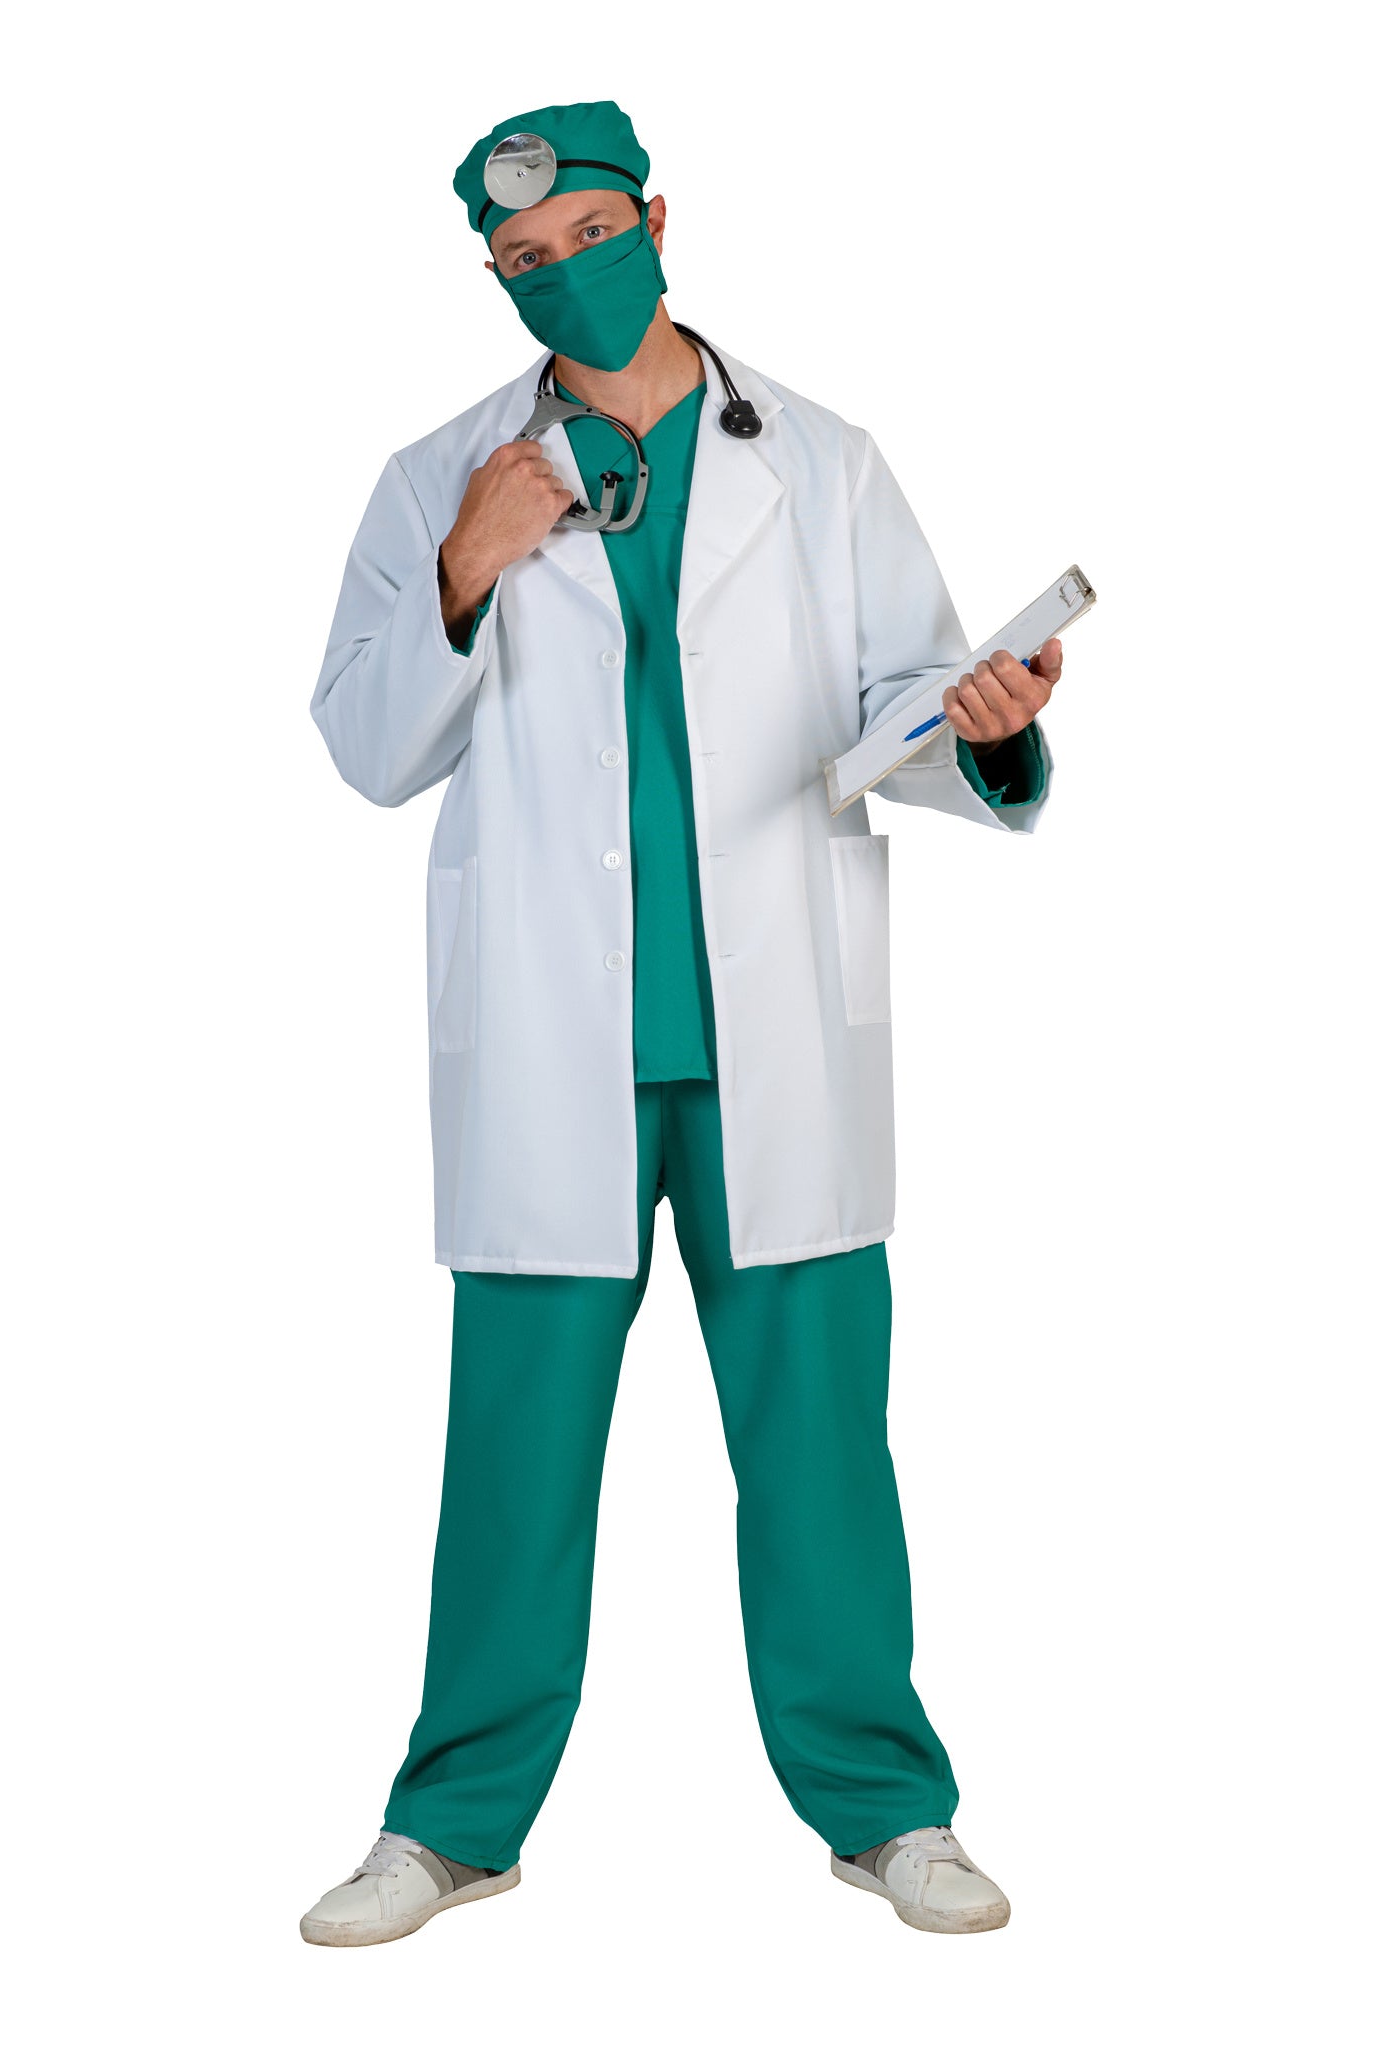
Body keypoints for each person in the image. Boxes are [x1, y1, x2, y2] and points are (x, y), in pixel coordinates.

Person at [301, 101, 1065, 1946]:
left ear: (656, 217)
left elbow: (905, 701)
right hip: (553, 1041)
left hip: (772, 1029)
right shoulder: (441, 476)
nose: (565, 275)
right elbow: (367, 747)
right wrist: (471, 564)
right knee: (516, 1459)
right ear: (496, 279)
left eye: (588, 235)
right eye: (525, 262)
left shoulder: (822, 460)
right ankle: (452, 1823)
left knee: (822, 1450)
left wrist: (986, 728)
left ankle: (887, 1808)